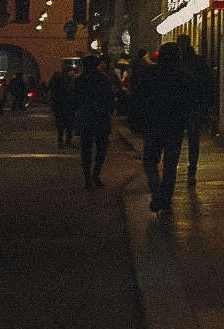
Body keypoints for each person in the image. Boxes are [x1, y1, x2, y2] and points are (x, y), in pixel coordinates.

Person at [128, 44, 195, 213]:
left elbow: (139, 98)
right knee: (170, 164)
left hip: (153, 124)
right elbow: (190, 102)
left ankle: (156, 191)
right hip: (175, 126)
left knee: (150, 161)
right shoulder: (183, 76)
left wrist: (137, 119)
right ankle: (166, 199)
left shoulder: (149, 74)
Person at [174, 35, 215, 186]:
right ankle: (191, 171)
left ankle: (173, 170)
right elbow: (208, 83)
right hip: (194, 105)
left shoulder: (176, 64)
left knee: (176, 140)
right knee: (193, 139)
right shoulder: (198, 62)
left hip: (179, 107)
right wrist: (209, 104)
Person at [72, 56, 117, 189]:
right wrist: (110, 111)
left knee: (86, 149)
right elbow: (110, 99)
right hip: (101, 116)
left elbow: (74, 99)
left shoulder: (79, 80)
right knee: (101, 148)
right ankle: (96, 174)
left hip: (85, 116)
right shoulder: (104, 79)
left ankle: (87, 178)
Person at [48, 66, 77, 146]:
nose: (73, 73)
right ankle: (67, 141)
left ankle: (61, 141)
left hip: (60, 106)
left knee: (61, 125)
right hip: (67, 106)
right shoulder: (67, 81)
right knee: (68, 125)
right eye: (72, 71)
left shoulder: (60, 80)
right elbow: (71, 92)